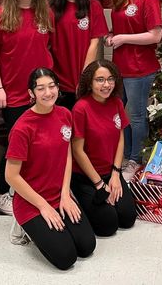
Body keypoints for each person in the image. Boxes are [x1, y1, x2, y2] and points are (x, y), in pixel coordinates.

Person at [5, 68, 96, 270]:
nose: (48, 93)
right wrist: (43, 206)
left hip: (58, 194)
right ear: (31, 93)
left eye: (52, 86)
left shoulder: (64, 114)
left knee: (86, 246)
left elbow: (66, 154)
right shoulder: (22, 128)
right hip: (32, 201)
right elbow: (11, 176)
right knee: (66, 258)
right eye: (41, 88)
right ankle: (22, 227)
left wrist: (66, 194)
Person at [0, 0, 53, 216]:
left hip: (44, 94)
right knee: (16, 147)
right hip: (12, 93)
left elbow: (49, 50)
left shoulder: (45, 13)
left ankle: (34, 189)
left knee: (41, 144)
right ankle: (2, 195)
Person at [106, 0, 162, 181]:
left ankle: (135, 160)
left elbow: (155, 35)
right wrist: (112, 36)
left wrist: (123, 39)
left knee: (136, 116)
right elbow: (122, 28)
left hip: (140, 68)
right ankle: (125, 154)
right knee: (121, 115)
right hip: (120, 67)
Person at [70, 60, 137, 237]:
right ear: (90, 83)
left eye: (110, 79)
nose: (106, 84)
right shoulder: (80, 108)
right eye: (99, 79)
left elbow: (120, 137)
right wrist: (100, 185)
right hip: (86, 177)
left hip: (110, 171)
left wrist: (116, 173)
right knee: (108, 226)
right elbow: (77, 151)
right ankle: (79, 198)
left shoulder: (116, 102)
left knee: (128, 218)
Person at [50, 0, 108, 110]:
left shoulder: (93, 5)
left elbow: (94, 43)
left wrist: (84, 79)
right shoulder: (51, 8)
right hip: (58, 82)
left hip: (84, 78)